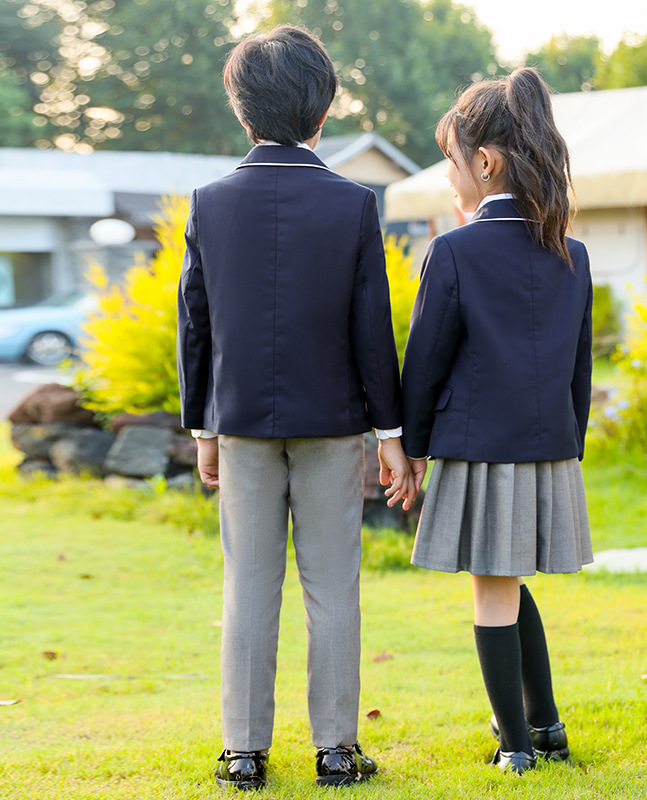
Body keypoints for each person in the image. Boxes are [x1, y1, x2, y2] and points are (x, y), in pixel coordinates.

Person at [177, 25, 417, 791]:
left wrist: (202, 427)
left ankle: (243, 752)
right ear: (324, 112)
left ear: (240, 109)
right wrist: (391, 432)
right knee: (332, 585)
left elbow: (196, 323)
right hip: (334, 424)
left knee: (248, 583)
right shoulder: (352, 204)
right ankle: (337, 751)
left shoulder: (210, 203)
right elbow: (371, 329)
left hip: (241, 424)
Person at [401, 67, 593, 775]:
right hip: (550, 448)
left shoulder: (453, 252)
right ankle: (546, 727)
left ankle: (514, 748)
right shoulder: (571, 254)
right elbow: (580, 372)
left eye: (452, 164)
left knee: (492, 587)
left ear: (483, 163)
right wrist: (568, 449)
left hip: (480, 448)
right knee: (510, 579)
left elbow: (423, 364)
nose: (450, 180)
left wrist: (410, 449)